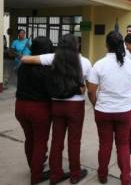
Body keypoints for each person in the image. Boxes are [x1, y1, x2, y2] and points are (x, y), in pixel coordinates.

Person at [21, 34, 92, 184]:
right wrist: (83, 89)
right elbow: (90, 87)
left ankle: (55, 175)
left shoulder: (52, 57)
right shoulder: (85, 62)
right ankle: (74, 174)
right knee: (74, 141)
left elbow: (24, 59)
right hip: (75, 106)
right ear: (77, 45)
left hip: (57, 105)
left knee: (56, 141)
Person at [88, 31, 131, 185]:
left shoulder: (99, 64)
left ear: (106, 45)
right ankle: (125, 178)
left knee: (105, 144)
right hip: (124, 111)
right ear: (122, 44)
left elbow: (91, 91)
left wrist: (97, 105)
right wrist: (129, 106)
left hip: (103, 111)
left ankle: (102, 175)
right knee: (123, 144)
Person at [15, 37, 53, 185]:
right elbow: (51, 90)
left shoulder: (23, 65)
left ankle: (34, 167)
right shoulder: (46, 68)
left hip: (20, 107)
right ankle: (36, 176)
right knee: (40, 142)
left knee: (29, 139)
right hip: (39, 109)